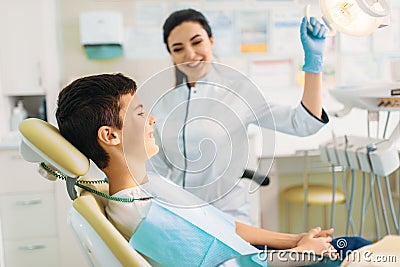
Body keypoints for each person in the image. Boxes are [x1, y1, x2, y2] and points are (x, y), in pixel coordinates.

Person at [56, 73, 369, 266]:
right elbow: (227, 265)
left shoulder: (148, 188)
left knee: (354, 246)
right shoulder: (144, 216)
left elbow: (224, 226)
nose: (152, 120)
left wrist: (295, 239)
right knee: (359, 248)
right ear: (110, 136)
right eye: (140, 113)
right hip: (261, 263)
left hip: (261, 255)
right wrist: (303, 253)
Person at [147, 9, 330, 224]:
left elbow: (303, 123)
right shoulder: (165, 105)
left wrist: (313, 63)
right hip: (183, 219)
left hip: (228, 215)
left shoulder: (239, 93)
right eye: (178, 49)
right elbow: (154, 172)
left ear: (211, 41)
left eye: (196, 42)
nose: (189, 54)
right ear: (171, 54)